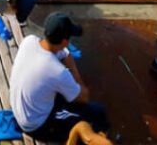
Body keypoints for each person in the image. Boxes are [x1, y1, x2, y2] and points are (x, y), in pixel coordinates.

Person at [10, 13, 110, 142]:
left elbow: (64, 54)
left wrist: (66, 57)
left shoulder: (29, 41)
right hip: (36, 125)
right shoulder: (58, 72)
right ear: (64, 42)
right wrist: (74, 72)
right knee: (96, 114)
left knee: (68, 94)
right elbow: (84, 97)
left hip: (21, 110)